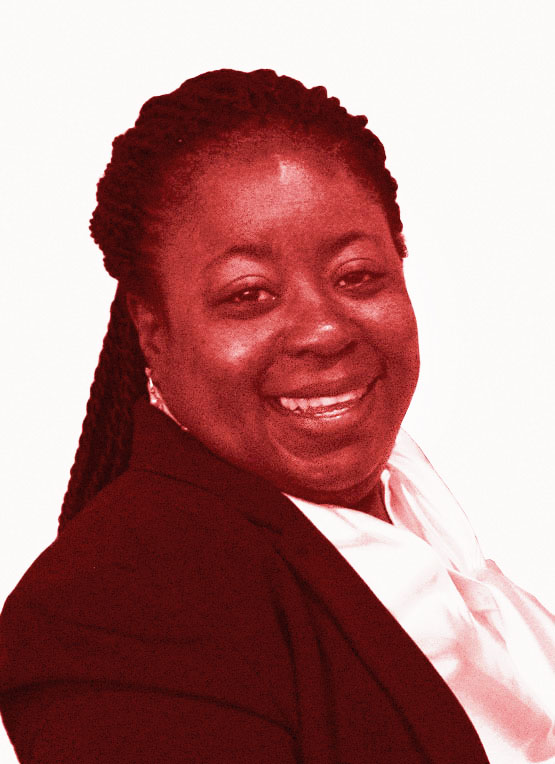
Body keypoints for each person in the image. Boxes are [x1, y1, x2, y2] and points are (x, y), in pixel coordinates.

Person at [0, 69, 553, 764]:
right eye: (249, 294)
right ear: (152, 330)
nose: (324, 329)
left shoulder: (418, 513)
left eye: (357, 275)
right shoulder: (117, 609)